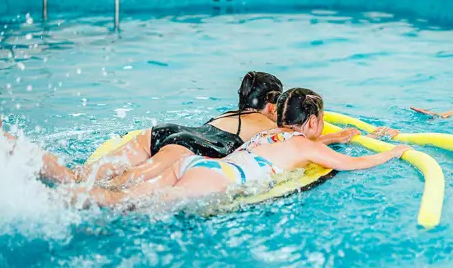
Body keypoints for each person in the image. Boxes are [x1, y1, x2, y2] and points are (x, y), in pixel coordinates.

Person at [0, 71, 359, 187]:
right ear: (271, 106)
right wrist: (339, 136)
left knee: (81, 174)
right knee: (114, 189)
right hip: (192, 147)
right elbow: (303, 140)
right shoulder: (266, 127)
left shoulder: (225, 114)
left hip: (164, 131)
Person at [67, 88, 410, 208]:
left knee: (126, 194)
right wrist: (394, 152)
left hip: (197, 164)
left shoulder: (266, 136)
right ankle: (61, 201)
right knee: (128, 205)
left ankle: (66, 188)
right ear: (313, 122)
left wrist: (334, 137)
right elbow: (355, 164)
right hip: (216, 180)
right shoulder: (306, 146)